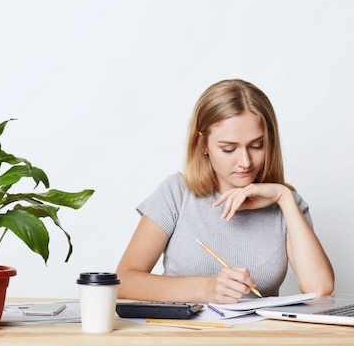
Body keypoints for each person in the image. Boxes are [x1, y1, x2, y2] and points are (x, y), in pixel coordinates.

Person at [116, 79, 334, 304]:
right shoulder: (176, 194)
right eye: (228, 149)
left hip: (256, 337)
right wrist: (205, 288)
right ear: (203, 144)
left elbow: (320, 289)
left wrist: (284, 197)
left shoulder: (286, 205)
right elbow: (123, 280)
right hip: (185, 337)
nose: (245, 162)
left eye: (257, 145)